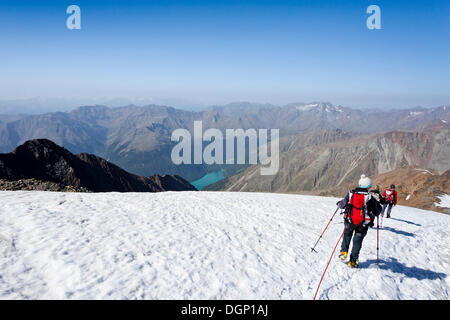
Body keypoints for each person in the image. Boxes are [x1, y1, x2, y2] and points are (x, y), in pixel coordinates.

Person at [336, 174, 382, 268]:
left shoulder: (351, 194)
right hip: (363, 224)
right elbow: (377, 211)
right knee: (357, 242)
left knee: (347, 235)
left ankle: (343, 252)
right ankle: (353, 262)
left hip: (349, 221)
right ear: (369, 186)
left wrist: (338, 203)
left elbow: (341, 205)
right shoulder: (370, 197)